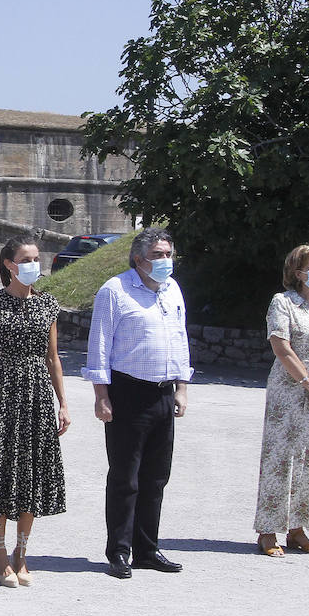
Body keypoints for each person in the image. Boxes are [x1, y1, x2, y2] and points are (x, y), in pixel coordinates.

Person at [83, 227, 192, 580]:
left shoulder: (172, 290)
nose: (165, 261)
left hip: (163, 391)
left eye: (168, 254)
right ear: (138, 259)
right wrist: (101, 396)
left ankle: (147, 548)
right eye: (158, 255)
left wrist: (182, 386)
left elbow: (180, 338)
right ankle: (119, 550)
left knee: (157, 476)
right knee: (125, 477)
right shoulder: (114, 291)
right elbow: (99, 345)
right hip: (128, 392)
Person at [0, 236, 69, 588]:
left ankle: (21, 553)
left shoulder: (48, 305)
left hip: (38, 396)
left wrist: (64, 403)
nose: (33, 264)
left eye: (36, 258)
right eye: (26, 259)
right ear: (9, 264)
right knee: (1, 472)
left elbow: (53, 358)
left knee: (31, 474)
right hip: (4, 392)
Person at [254, 244, 309, 556]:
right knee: (281, 460)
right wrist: (306, 381)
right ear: (298, 272)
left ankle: (297, 530)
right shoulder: (283, 303)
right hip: (289, 394)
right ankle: (268, 531)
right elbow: (281, 347)